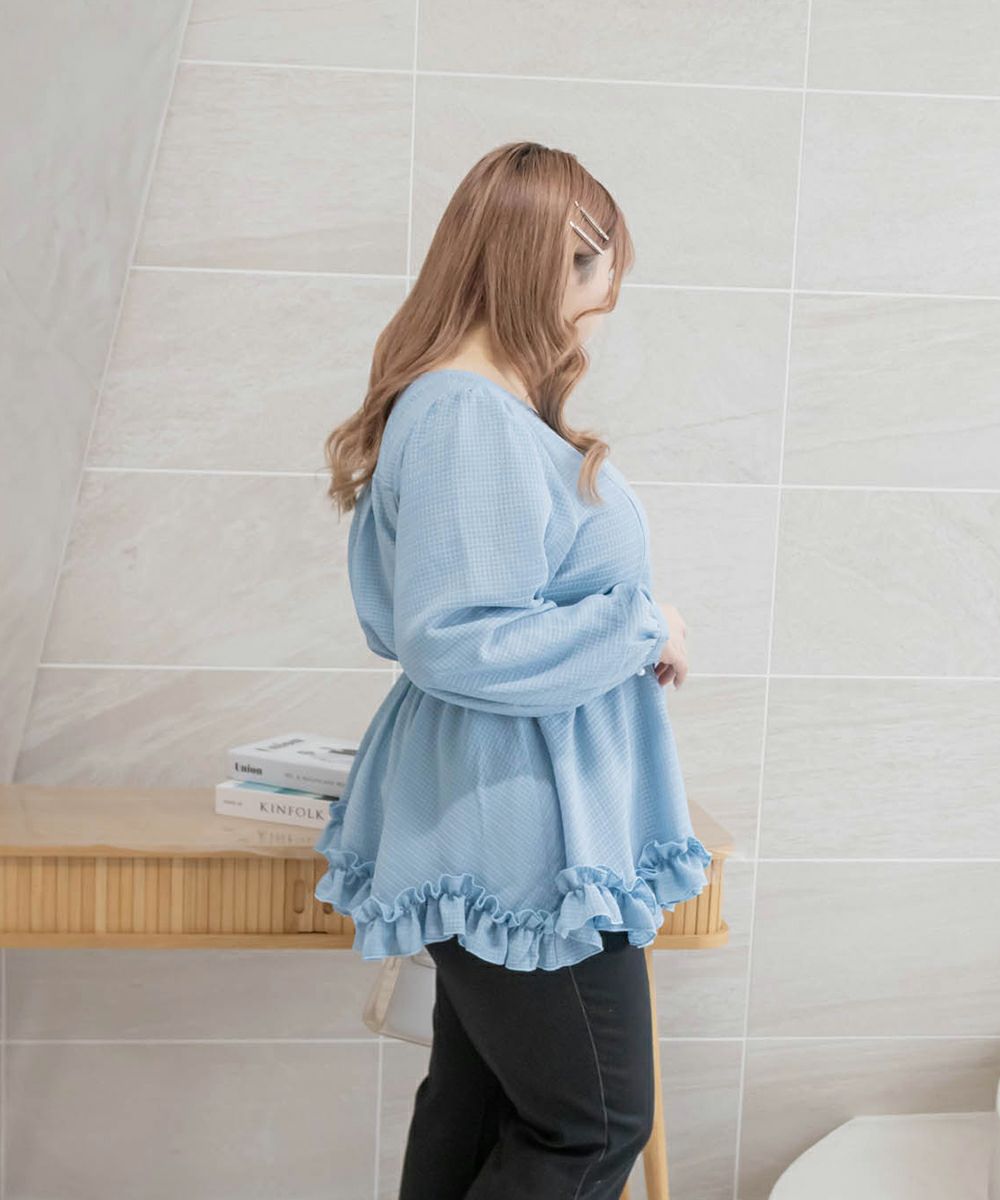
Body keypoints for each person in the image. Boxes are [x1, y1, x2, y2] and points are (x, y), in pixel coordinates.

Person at [313, 141, 713, 1199]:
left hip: (510, 806)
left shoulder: (469, 408)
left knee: (482, 1101)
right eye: (602, 270)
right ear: (559, 260)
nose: (605, 304)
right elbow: (458, 635)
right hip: (521, 824)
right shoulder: (466, 416)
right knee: (594, 1123)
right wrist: (642, 626)